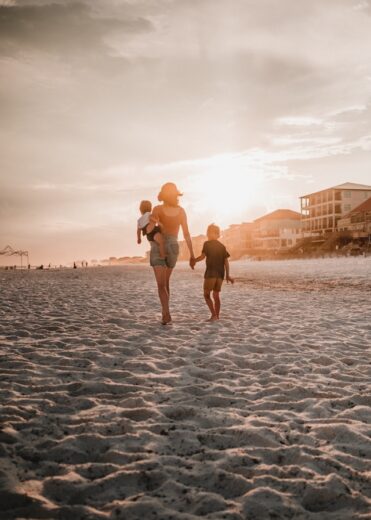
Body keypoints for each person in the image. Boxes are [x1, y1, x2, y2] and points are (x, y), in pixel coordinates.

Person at [150, 182, 195, 324]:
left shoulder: (157, 209)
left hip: (160, 245)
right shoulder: (181, 211)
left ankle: (166, 313)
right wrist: (192, 254)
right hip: (174, 246)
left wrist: (158, 225)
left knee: (161, 285)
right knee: (166, 282)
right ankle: (166, 312)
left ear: (162, 194)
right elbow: (186, 234)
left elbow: (150, 229)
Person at [193, 223, 234, 321]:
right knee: (216, 295)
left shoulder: (207, 244)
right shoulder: (222, 246)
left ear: (217, 234)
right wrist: (227, 275)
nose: (208, 234)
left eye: (210, 232)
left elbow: (202, 257)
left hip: (211, 273)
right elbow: (226, 262)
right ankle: (217, 316)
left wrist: (194, 260)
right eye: (208, 232)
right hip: (220, 274)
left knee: (206, 295)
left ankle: (214, 315)